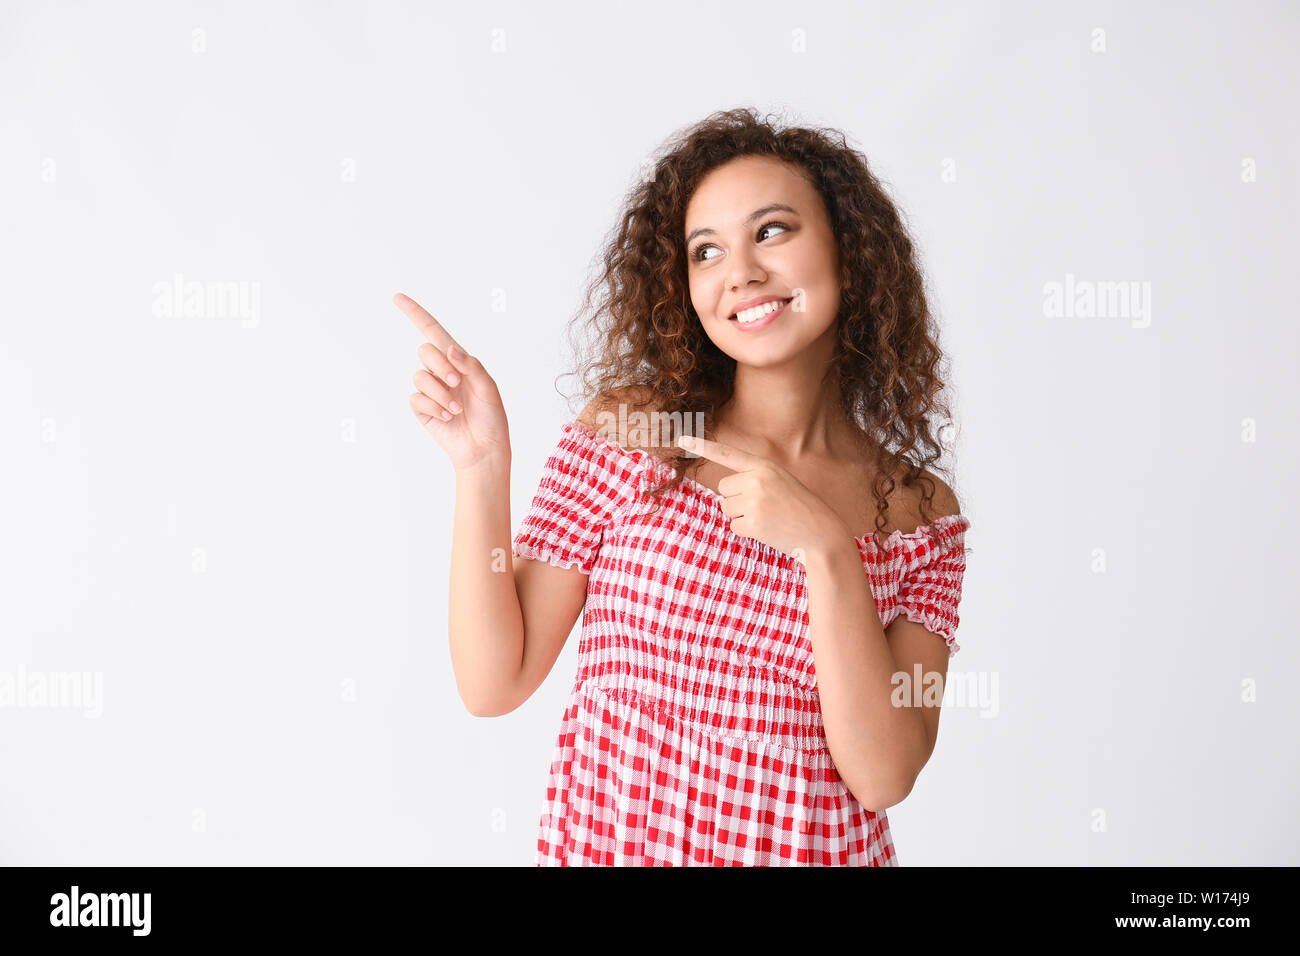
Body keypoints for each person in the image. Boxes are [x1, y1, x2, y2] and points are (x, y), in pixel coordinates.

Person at [398, 107, 971, 866]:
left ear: (850, 253)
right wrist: (482, 468)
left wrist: (827, 549)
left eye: (773, 231)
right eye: (707, 252)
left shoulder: (920, 512)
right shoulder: (637, 434)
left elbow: (885, 773)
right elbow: (493, 682)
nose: (741, 273)